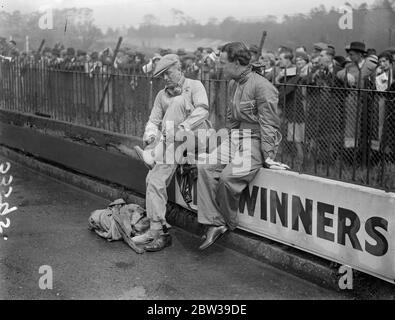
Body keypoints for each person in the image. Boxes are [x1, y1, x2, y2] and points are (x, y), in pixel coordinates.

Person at [118, 54, 212, 252]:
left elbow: (203, 110)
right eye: (162, 76)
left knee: (178, 103)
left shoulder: (195, 86)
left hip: (197, 139)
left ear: (179, 69)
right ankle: (157, 230)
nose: (166, 78)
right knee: (154, 179)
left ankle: (153, 154)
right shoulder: (161, 95)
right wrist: (151, 136)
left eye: (168, 73)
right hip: (174, 145)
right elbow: (153, 120)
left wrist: (182, 127)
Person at [196, 42, 284, 250]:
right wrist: (228, 140)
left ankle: (227, 222)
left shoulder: (263, 86)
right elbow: (231, 118)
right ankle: (213, 222)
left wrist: (268, 155)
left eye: (224, 63)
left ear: (237, 62)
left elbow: (269, 123)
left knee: (228, 178)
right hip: (236, 138)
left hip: (255, 140)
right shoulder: (233, 83)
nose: (220, 67)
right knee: (205, 166)